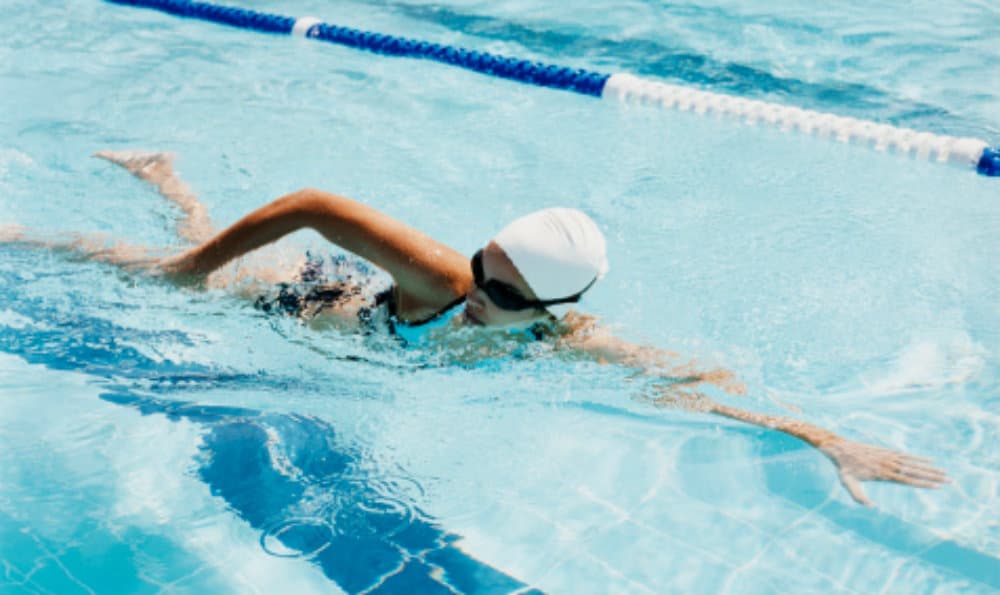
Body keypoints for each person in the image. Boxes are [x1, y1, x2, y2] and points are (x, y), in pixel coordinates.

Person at [2, 150, 949, 507]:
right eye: (482, 267)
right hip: (309, 300)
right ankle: (80, 216)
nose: (475, 291)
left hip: (350, 344)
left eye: (500, 292)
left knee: (188, 252)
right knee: (143, 265)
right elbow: (313, 200)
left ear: (552, 313)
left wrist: (824, 436)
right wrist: (186, 276)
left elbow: (695, 383)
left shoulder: (563, 342)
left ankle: (168, 178)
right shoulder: (442, 275)